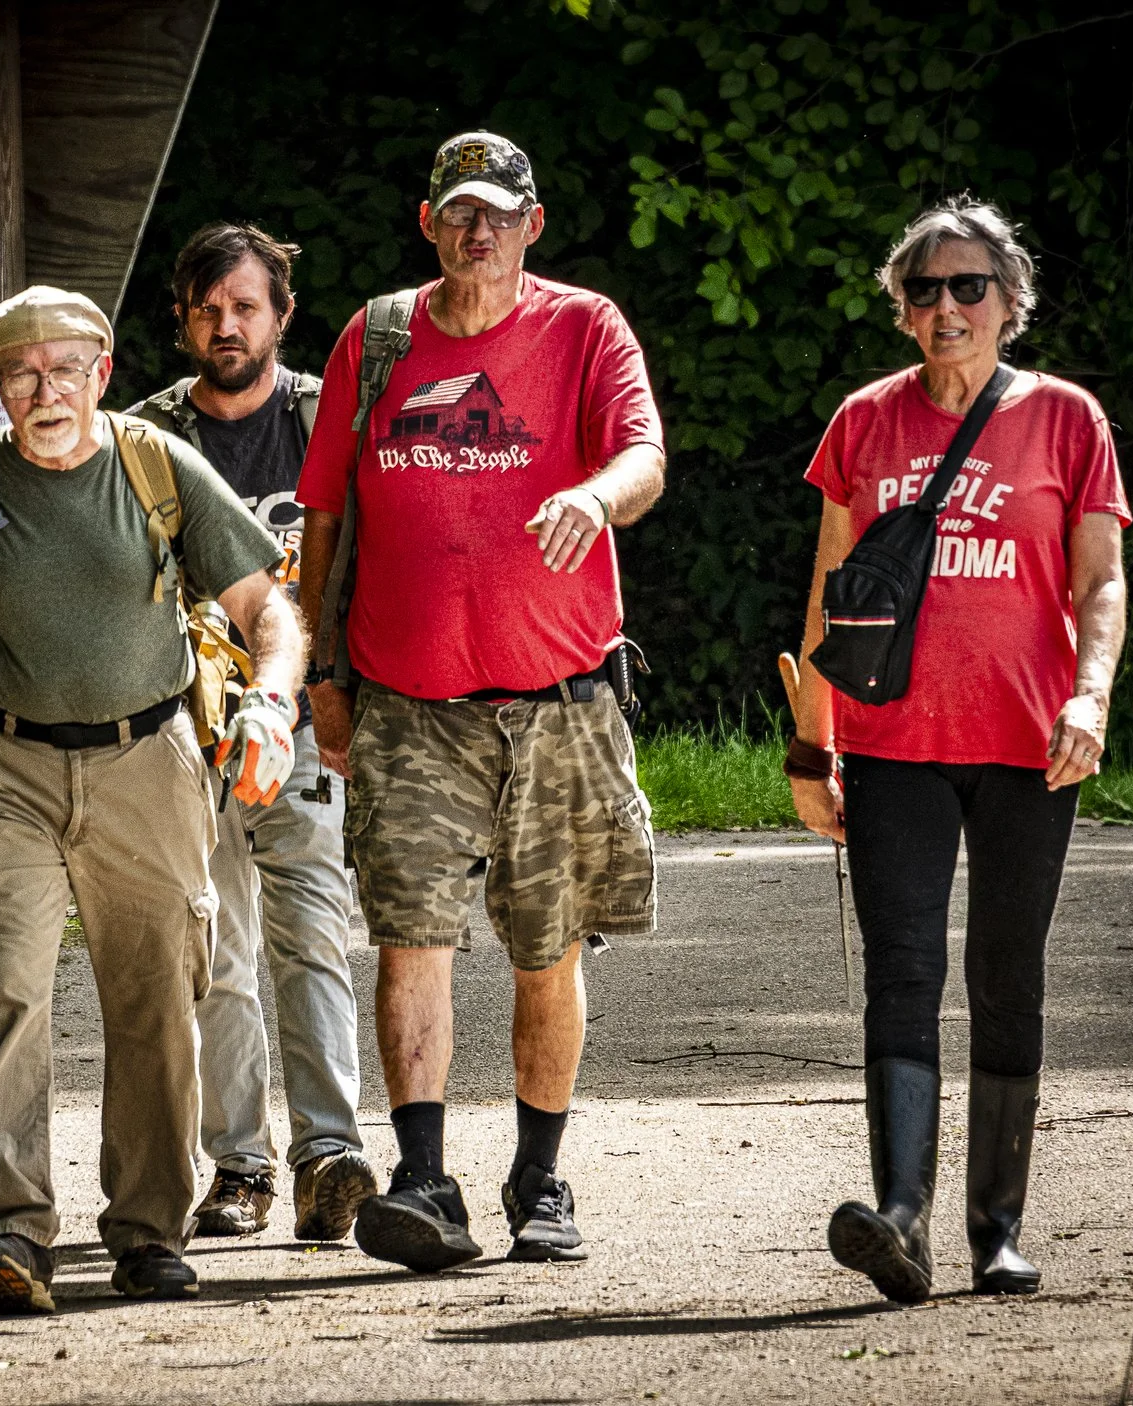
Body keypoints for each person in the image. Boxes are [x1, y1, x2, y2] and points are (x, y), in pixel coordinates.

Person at [0, 285, 303, 1312]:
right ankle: (8, 1228)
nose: (42, 390)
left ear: (101, 374)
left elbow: (263, 604)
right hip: (1, 768)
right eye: (19, 371)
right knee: (8, 984)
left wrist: (271, 703)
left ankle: (148, 1229)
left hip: (148, 758)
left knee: (155, 999)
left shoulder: (155, 464)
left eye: (64, 369)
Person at [295, 131, 667, 1272]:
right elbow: (321, 515)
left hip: (557, 697)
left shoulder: (584, 325)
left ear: (531, 225)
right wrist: (320, 670)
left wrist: (594, 498)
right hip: (407, 702)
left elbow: (645, 454)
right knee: (410, 937)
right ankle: (422, 1178)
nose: (477, 230)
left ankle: (539, 1178)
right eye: (459, 211)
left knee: (545, 947)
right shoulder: (379, 337)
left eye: (498, 213)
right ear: (428, 222)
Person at [787, 195, 1128, 1305]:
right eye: (923, 288)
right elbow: (831, 598)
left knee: (1006, 976)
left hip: (1031, 742)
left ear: (1009, 302)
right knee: (903, 972)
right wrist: (809, 748)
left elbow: (1100, 582)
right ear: (899, 308)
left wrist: (1089, 695)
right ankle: (900, 1219)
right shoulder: (864, 422)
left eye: (967, 286)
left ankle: (998, 1228)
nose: (945, 306)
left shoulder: (1066, 420)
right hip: (894, 744)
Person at [128, 223, 374, 1241]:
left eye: (244, 306)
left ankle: (329, 1152)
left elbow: (377, 548)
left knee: (310, 927)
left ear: (280, 313)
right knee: (214, 944)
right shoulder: (140, 435)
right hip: (181, 727)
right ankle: (238, 1166)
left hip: (303, 713)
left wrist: (349, 687)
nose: (225, 325)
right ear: (181, 319)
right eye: (206, 308)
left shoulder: (330, 417)